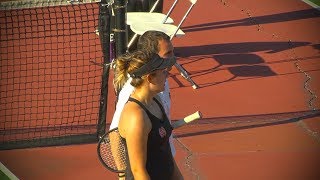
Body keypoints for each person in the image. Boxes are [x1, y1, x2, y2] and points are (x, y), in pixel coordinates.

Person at [113, 50, 183, 179]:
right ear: (150, 78)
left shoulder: (156, 100)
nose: (167, 75)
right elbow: (138, 170)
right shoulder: (136, 116)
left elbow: (165, 151)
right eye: (163, 72)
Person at [111, 30, 177, 157]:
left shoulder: (162, 78)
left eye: (173, 51)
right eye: (168, 53)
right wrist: (122, 174)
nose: (173, 57)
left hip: (166, 158)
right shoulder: (131, 91)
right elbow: (115, 135)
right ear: (152, 57)